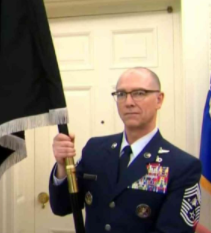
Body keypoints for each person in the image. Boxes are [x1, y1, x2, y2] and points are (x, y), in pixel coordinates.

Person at [50, 67, 202, 233]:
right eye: (121, 94)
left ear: (159, 99)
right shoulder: (95, 150)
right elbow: (62, 206)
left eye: (139, 93)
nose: (128, 102)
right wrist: (62, 167)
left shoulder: (182, 166)